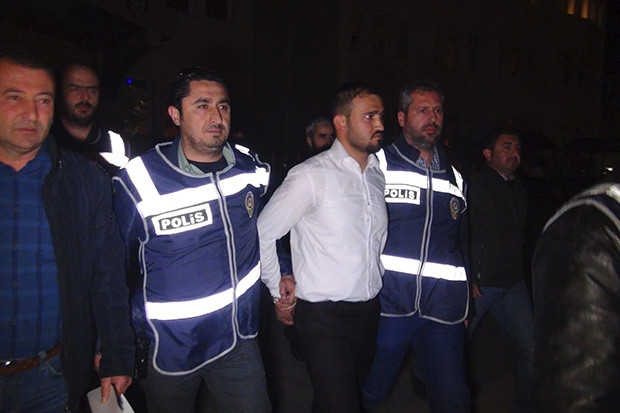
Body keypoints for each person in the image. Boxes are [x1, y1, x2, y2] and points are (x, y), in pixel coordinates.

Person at [113, 67, 271, 413]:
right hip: (170, 349)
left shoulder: (250, 169)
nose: (216, 117)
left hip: (238, 339)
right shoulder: (140, 181)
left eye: (223, 106)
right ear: (175, 115)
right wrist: (110, 344)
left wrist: (282, 270)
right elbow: (110, 270)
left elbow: (267, 228)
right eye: (202, 105)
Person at [0, 49, 134, 412]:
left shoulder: (84, 180)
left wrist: (116, 349)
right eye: (15, 97)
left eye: (43, 100)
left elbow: (107, 275)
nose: (31, 114)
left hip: (50, 376)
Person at [258, 82, 388, 413]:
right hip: (323, 318)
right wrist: (277, 289)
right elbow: (264, 232)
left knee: (335, 400)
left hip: (369, 312)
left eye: (380, 116)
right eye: (369, 116)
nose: (379, 124)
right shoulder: (311, 176)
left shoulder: (377, 175)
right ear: (341, 123)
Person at [361, 80, 471, 413]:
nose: (432, 118)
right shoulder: (376, 165)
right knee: (368, 391)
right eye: (422, 110)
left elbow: (461, 242)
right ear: (401, 118)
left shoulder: (455, 177)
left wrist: (465, 302)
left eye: (437, 111)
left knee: (454, 398)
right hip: (389, 304)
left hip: (444, 308)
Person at [532, 180, 620, 412]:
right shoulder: (589, 228)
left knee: (524, 349)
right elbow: (578, 389)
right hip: (492, 283)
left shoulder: (516, 190)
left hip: (510, 282)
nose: (516, 159)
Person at [467, 128, 534, 412]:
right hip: (481, 284)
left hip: (513, 284)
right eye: (506, 147)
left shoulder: (518, 187)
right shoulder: (475, 186)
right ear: (488, 154)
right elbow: (463, 232)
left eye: (517, 148)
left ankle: (525, 406)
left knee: (531, 349)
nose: (514, 153)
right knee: (454, 346)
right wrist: (469, 275)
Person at [51, 62, 129, 174]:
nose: (85, 97)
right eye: (75, 89)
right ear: (58, 93)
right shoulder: (44, 142)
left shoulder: (115, 144)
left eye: (92, 90)